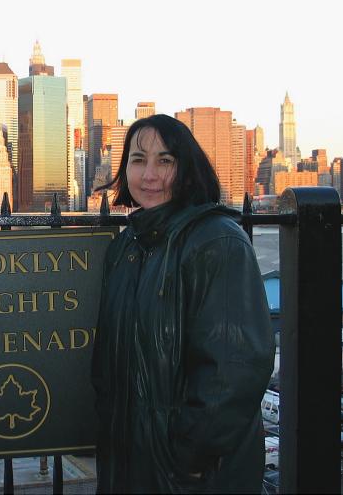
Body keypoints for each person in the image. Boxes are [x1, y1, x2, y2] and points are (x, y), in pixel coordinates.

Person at [91, 114, 274, 494]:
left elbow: (233, 371)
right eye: (138, 160)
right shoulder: (126, 248)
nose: (149, 175)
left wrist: (191, 458)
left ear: (187, 169)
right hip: (131, 463)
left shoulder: (217, 242)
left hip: (193, 475)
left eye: (166, 161)